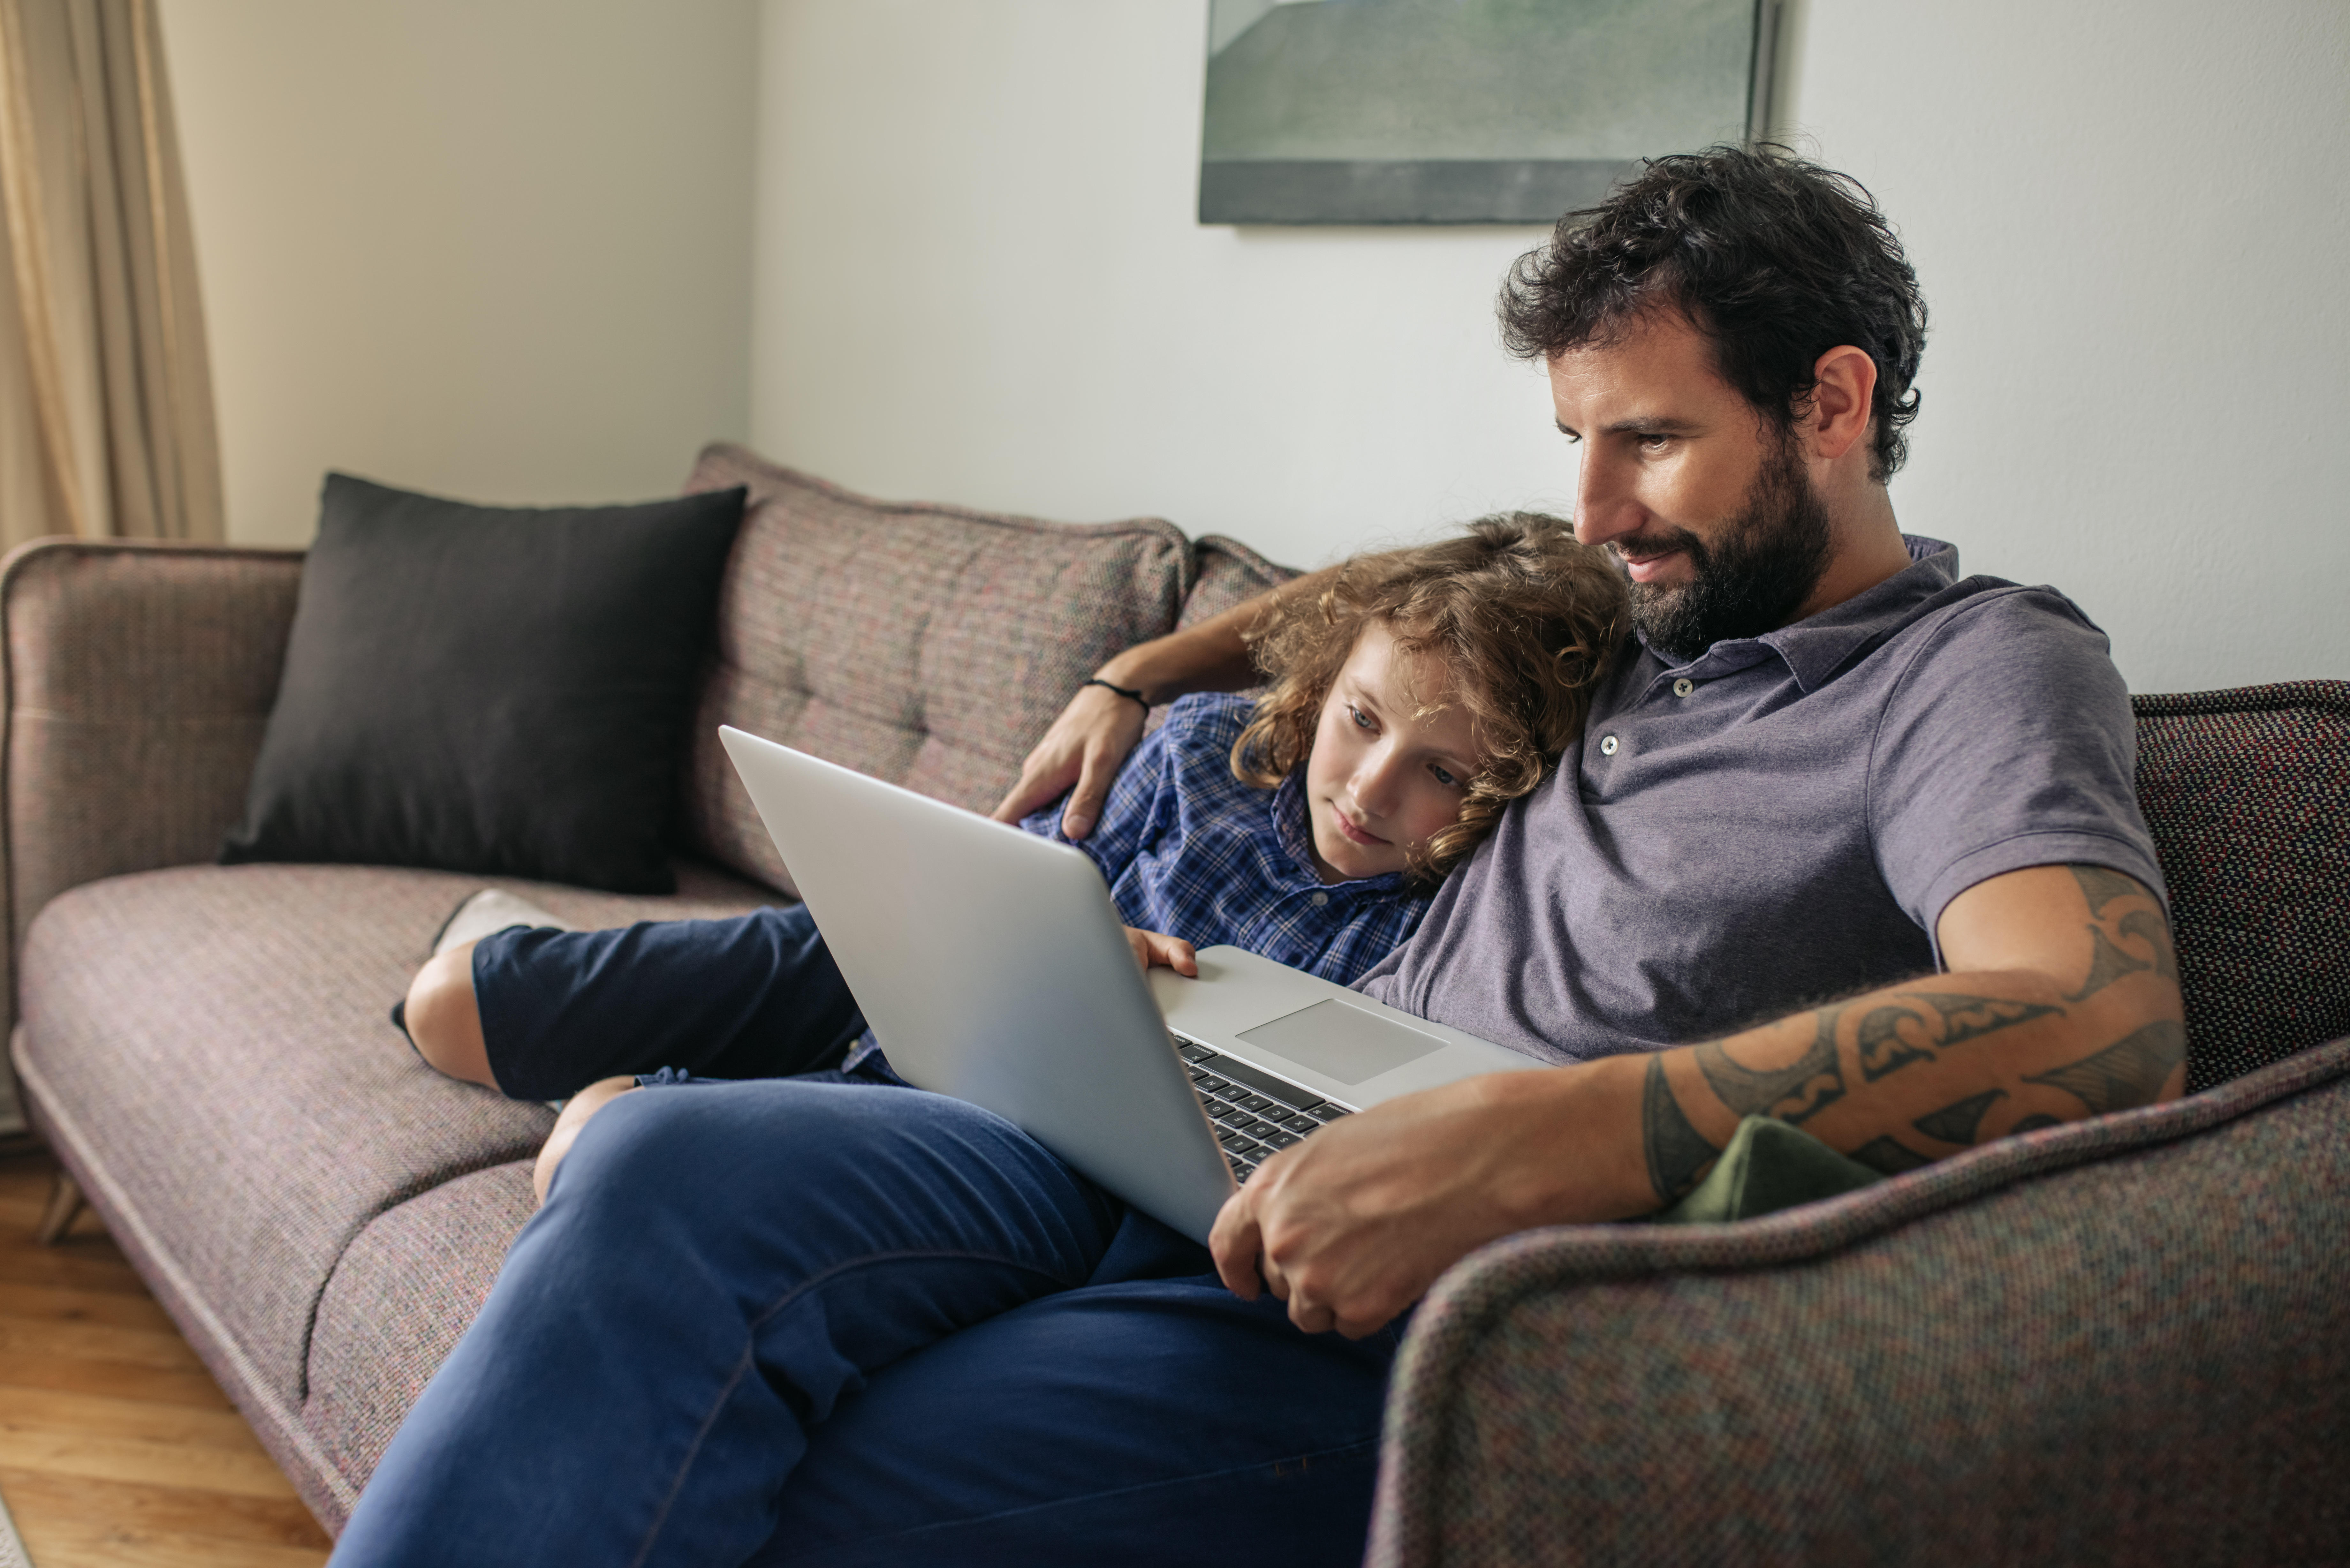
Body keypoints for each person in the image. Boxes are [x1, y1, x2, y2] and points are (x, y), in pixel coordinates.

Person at [330, 146, 2184, 1568]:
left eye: (1651, 442)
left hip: (1467, 1292)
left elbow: (2093, 1017)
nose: (1597, 509)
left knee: (809, 1459)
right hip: (1227, 1100)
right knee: (658, 1160)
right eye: (1574, 443)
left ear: (1836, 408)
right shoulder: (1649, 604)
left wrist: (1552, 1132)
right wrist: (1138, 670)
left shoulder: (1980, 671)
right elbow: (1389, 587)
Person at [396, 513, 1626, 1197]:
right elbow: (1011, 874)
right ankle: (545, 961)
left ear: (1508, 791)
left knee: (606, 1139)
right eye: (1361, 721)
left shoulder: (1432, 933)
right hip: (900, 966)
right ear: (1325, 676)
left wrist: (1118, 1003)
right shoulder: (1206, 748)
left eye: (1445, 775)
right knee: (446, 1008)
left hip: (973, 1086)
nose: (1370, 788)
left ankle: (633, 1073)